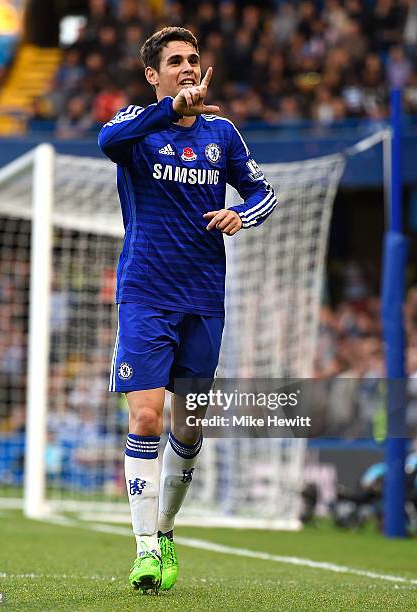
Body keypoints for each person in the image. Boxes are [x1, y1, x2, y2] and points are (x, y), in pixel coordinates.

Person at [98, 26, 277, 594]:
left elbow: (262, 192)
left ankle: (167, 527)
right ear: (153, 74)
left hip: (204, 299)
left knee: (189, 428)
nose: (187, 67)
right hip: (146, 294)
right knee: (145, 416)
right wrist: (169, 110)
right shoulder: (135, 129)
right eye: (175, 61)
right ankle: (146, 548)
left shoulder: (222, 133)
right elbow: (106, 143)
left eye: (193, 60)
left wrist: (241, 216)